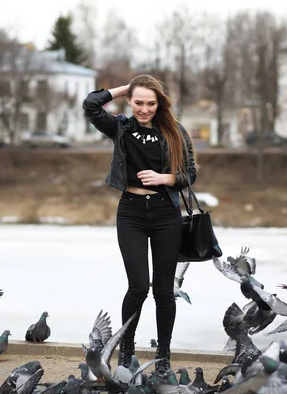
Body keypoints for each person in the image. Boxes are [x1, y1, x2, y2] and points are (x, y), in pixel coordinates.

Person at [82, 75, 197, 374]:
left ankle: (163, 356)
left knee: (163, 290)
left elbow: (191, 173)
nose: (144, 109)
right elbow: (91, 105)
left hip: (165, 214)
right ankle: (126, 351)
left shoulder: (174, 131)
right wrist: (125, 88)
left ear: (159, 104)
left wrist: (166, 179)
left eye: (150, 103)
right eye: (138, 102)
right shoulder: (120, 127)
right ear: (130, 101)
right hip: (131, 212)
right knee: (137, 287)